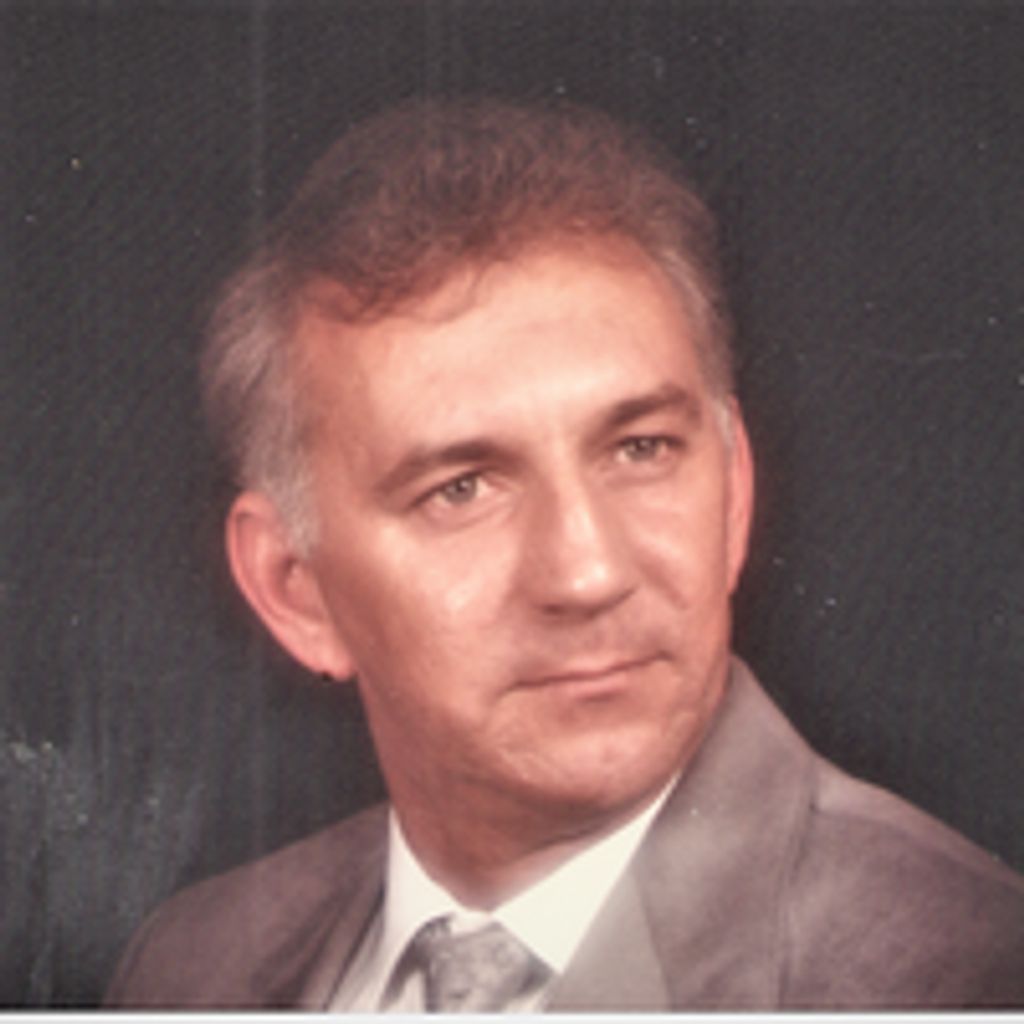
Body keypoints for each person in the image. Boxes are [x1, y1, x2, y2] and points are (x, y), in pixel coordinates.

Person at [104, 97, 1023, 1011]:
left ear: (735, 494)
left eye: (641, 449)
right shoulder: (191, 968)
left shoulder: (959, 975)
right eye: (462, 488)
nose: (588, 574)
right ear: (294, 588)